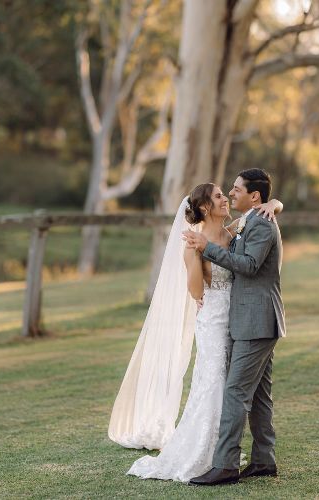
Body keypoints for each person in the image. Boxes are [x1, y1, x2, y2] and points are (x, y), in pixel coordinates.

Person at [108, 180, 282, 483]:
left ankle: (236, 456)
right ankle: (211, 453)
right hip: (215, 318)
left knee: (242, 387)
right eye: (218, 196)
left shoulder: (234, 231)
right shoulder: (194, 242)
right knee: (215, 382)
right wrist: (199, 269)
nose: (226, 198)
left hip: (243, 318)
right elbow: (195, 289)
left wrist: (273, 203)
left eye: (229, 193)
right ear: (204, 207)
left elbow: (265, 211)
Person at [183, 168, 286, 486]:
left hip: (256, 321)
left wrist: (207, 248)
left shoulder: (261, 225)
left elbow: (250, 266)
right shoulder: (252, 221)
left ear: (254, 196)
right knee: (259, 395)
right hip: (251, 319)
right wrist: (276, 203)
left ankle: (226, 464)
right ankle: (263, 461)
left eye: (236, 189)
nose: (231, 193)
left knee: (236, 391)